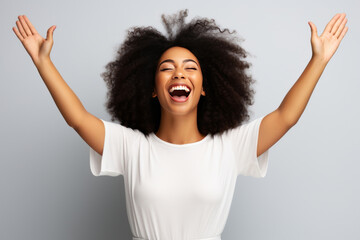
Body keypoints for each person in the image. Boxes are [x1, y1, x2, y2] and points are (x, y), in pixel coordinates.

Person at [13, 9, 348, 240]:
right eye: (166, 68)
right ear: (153, 90)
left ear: (203, 88)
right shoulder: (132, 147)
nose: (179, 74)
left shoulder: (229, 146)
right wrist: (43, 62)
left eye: (190, 68)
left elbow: (286, 116)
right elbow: (78, 118)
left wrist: (318, 60)